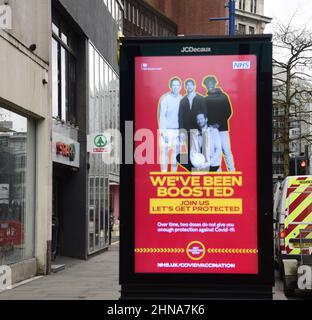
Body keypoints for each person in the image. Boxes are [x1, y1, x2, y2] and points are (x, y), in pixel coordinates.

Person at [203, 75, 235, 172]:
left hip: (222, 129)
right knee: (215, 152)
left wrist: (219, 124)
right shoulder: (205, 99)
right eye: (207, 84)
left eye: (211, 83)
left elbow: (228, 112)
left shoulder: (224, 96)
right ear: (205, 86)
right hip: (211, 130)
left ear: (214, 83)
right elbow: (205, 114)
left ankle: (232, 171)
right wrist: (210, 125)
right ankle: (218, 172)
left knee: (226, 150)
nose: (209, 85)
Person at [158, 77, 182, 172]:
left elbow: (183, 116)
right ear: (170, 86)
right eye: (174, 85)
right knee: (164, 152)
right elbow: (162, 115)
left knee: (176, 153)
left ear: (180, 86)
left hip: (178, 130)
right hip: (167, 130)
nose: (175, 87)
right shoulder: (165, 98)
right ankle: (164, 173)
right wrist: (163, 132)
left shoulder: (182, 99)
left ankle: (173, 173)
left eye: (177, 85)